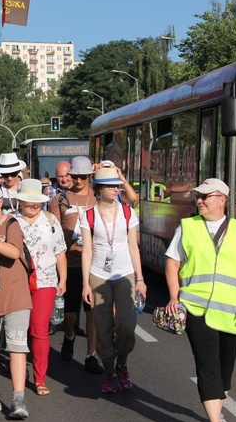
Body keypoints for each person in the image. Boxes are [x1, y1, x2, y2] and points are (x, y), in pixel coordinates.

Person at [164, 178, 236, 422]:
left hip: (231, 309)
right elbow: (172, 263)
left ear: (222, 199)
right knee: (207, 364)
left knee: (225, 367)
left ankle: (218, 409)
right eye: (198, 196)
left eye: (205, 196)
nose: (199, 200)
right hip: (196, 307)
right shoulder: (187, 227)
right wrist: (174, 297)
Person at [81, 166, 146, 393]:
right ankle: (109, 370)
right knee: (103, 327)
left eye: (117, 184)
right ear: (98, 189)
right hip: (98, 275)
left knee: (127, 325)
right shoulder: (88, 215)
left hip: (124, 274)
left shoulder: (128, 213)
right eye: (110, 185)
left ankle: (122, 363)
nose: (115, 188)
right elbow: (87, 250)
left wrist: (140, 279)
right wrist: (85, 284)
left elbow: (133, 247)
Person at [0, 184, 33, 419]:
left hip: (16, 294)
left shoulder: (10, 222)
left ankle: (18, 398)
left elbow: (14, 251)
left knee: (17, 347)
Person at [49, 156, 103, 374]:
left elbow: (130, 199)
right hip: (70, 263)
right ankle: (69, 336)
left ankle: (91, 355)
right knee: (70, 313)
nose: (79, 180)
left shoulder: (100, 198)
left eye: (83, 176)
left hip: (95, 264)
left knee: (93, 312)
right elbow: (52, 231)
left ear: (90, 176)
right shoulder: (60, 200)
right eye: (75, 176)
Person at [14, 178, 67, 397]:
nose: (34, 205)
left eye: (37, 201)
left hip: (46, 281)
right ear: (20, 201)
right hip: (19, 281)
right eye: (29, 201)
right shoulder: (12, 221)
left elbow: (59, 251)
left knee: (39, 330)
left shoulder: (51, 220)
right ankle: (20, 365)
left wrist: (62, 279)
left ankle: (39, 378)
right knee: (18, 330)